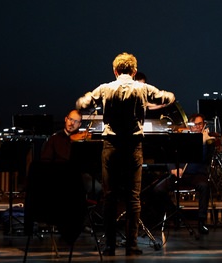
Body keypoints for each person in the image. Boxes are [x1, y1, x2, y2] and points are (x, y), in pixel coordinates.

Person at [75, 52, 176, 256]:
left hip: (111, 146)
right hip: (133, 147)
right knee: (133, 197)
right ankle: (131, 245)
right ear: (134, 71)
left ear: (115, 70)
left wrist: (90, 99)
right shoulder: (143, 88)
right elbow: (168, 97)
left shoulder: (105, 88)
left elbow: (82, 104)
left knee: (109, 196)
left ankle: (110, 245)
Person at [148, 113, 212, 235]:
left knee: (204, 186)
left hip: (196, 175)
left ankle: (201, 222)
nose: (198, 127)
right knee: (158, 189)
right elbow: (170, 155)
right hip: (178, 174)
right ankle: (176, 214)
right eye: (195, 124)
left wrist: (203, 143)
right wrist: (172, 169)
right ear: (190, 126)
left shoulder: (206, 140)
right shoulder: (182, 138)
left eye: (200, 124)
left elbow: (203, 160)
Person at [40, 109, 102, 200]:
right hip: (58, 175)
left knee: (97, 187)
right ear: (66, 119)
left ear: (80, 124)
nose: (72, 123)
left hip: (78, 174)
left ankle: (87, 210)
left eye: (76, 121)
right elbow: (45, 160)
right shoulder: (54, 139)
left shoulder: (82, 140)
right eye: (70, 119)